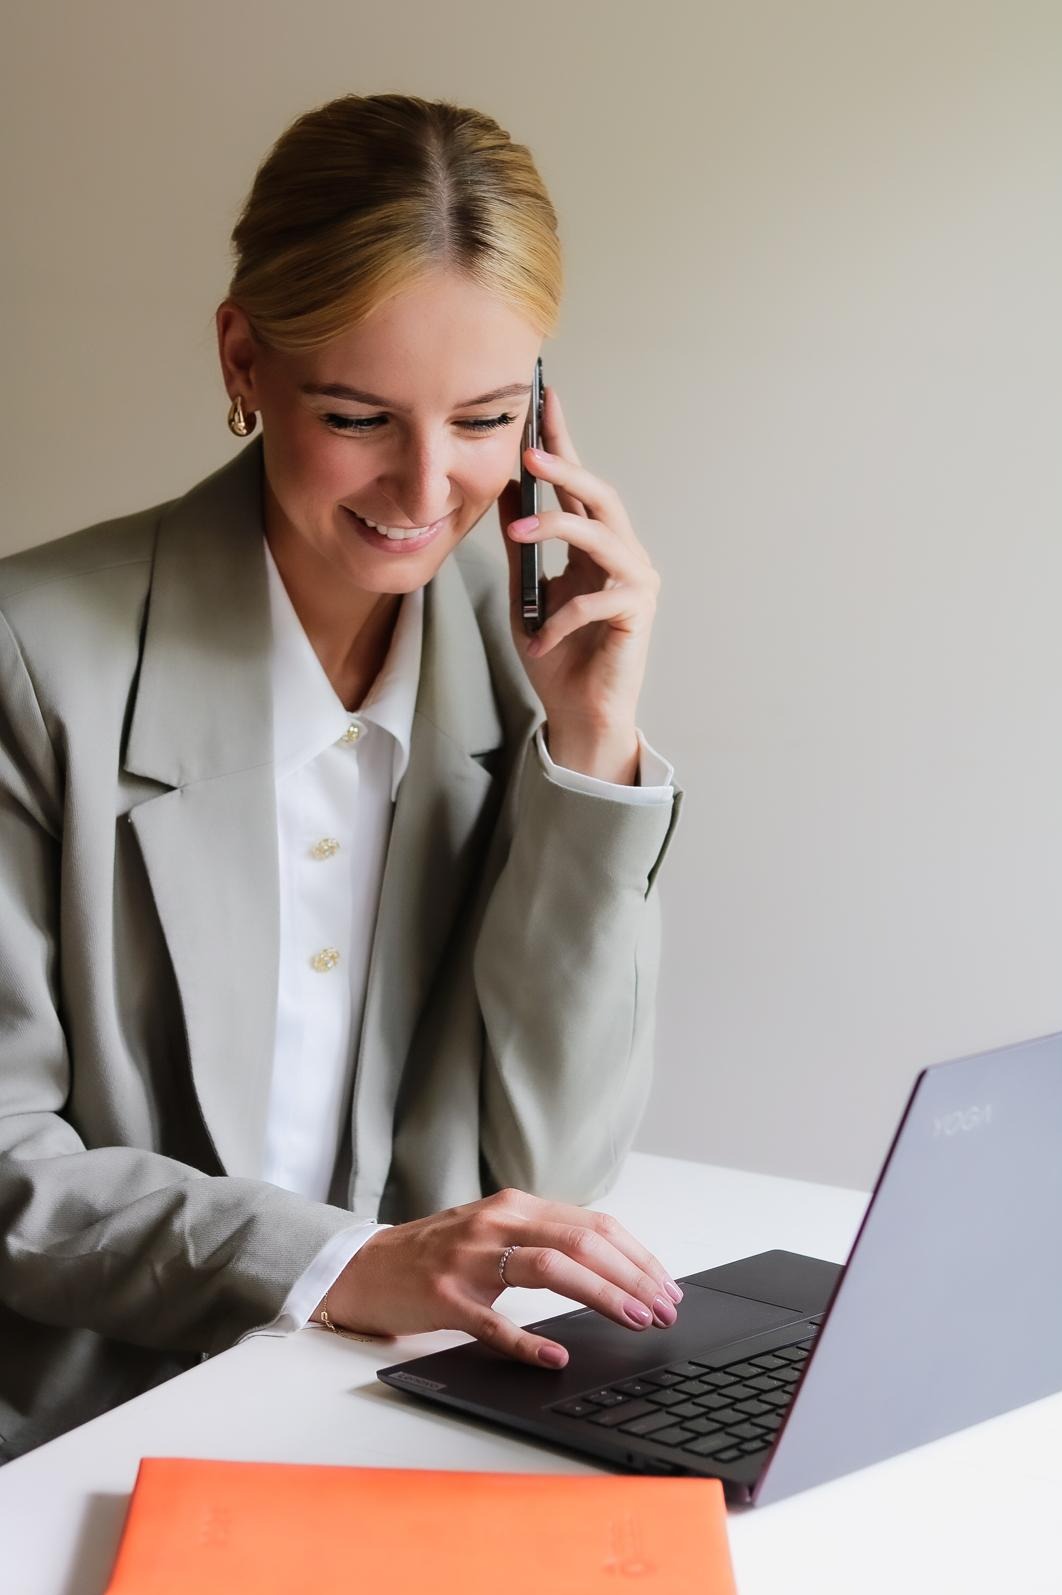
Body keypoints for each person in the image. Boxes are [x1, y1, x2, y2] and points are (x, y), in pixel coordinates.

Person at [0, 92, 684, 1464]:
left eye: (488, 417)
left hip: (400, 1412)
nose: (428, 489)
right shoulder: (33, 662)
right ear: (244, 359)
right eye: (360, 414)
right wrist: (332, 1265)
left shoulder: (519, 675)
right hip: (79, 1427)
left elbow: (552, 1163)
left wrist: (591, 758)